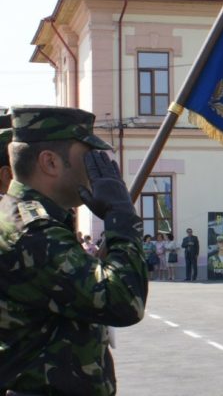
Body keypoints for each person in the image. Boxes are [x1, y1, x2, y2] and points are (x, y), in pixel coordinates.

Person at [0, 105, 147, 395]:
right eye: (87, 157)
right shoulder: (33, 231)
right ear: (50, 162)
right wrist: (121, 217)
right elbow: (124, 301)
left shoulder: (28, 218)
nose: (95, 168)